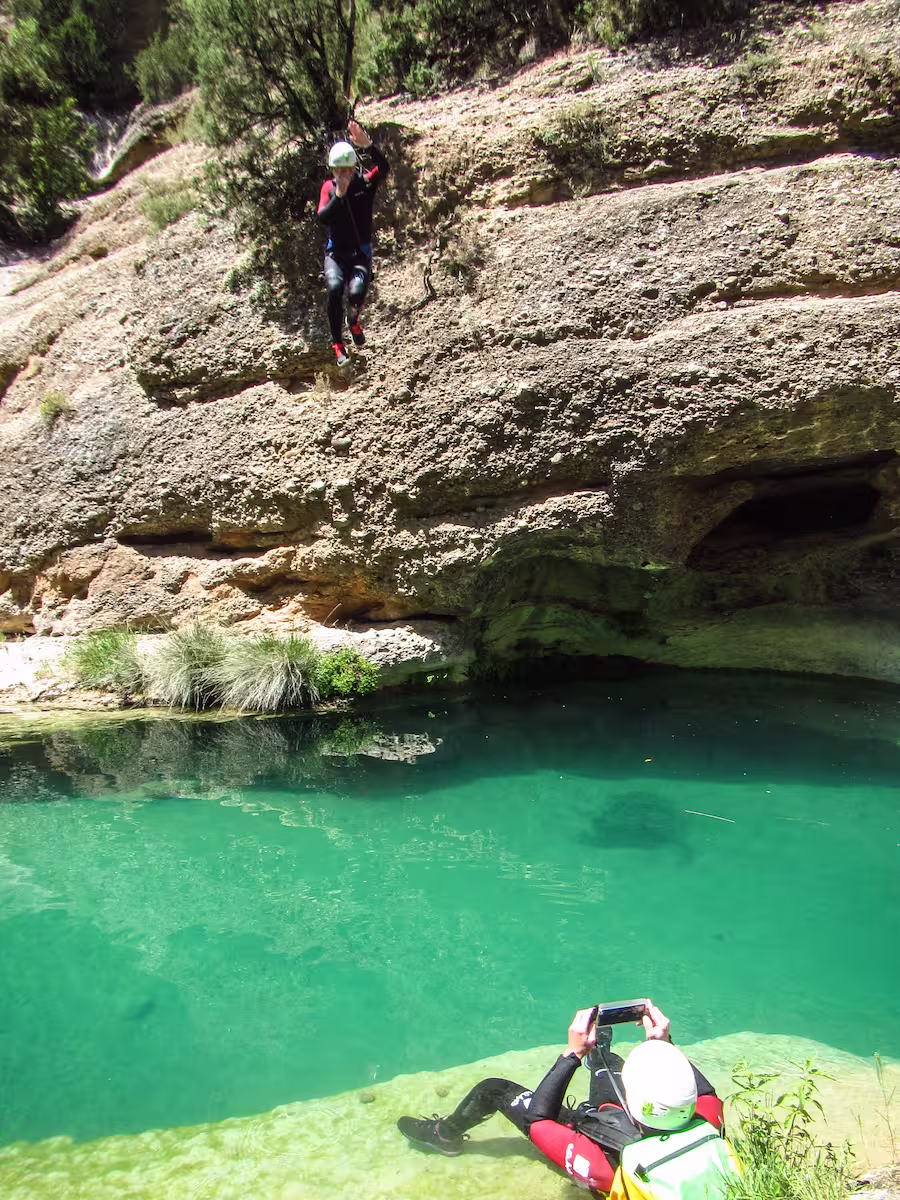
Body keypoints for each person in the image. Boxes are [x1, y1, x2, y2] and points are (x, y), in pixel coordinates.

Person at [396, 1001, 725, 1196]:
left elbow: (539, 1122)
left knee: (493, 1089)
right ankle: (600, 1054)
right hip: (627, 1121)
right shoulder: (711, 1123)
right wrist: (662, 1043)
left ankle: (445, 1136)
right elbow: (706, 1092)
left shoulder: (612, 1169)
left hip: (606, 1138)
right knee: (609, 1065)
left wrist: (572, 1055)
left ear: (632, 1096)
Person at [316, 119, 389, 368]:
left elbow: (384, 167)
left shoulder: (364, 186)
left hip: (359, 253)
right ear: (333, 171)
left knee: (356, 294)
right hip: (336, 253)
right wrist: (338, 195)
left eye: (347, 170)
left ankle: (354, 320)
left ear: (354, 168)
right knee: (335, 289)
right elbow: (323, 217)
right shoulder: (330, 188)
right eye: (338, 171)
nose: (343, 175)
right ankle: (338, 345)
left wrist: (368, 145)